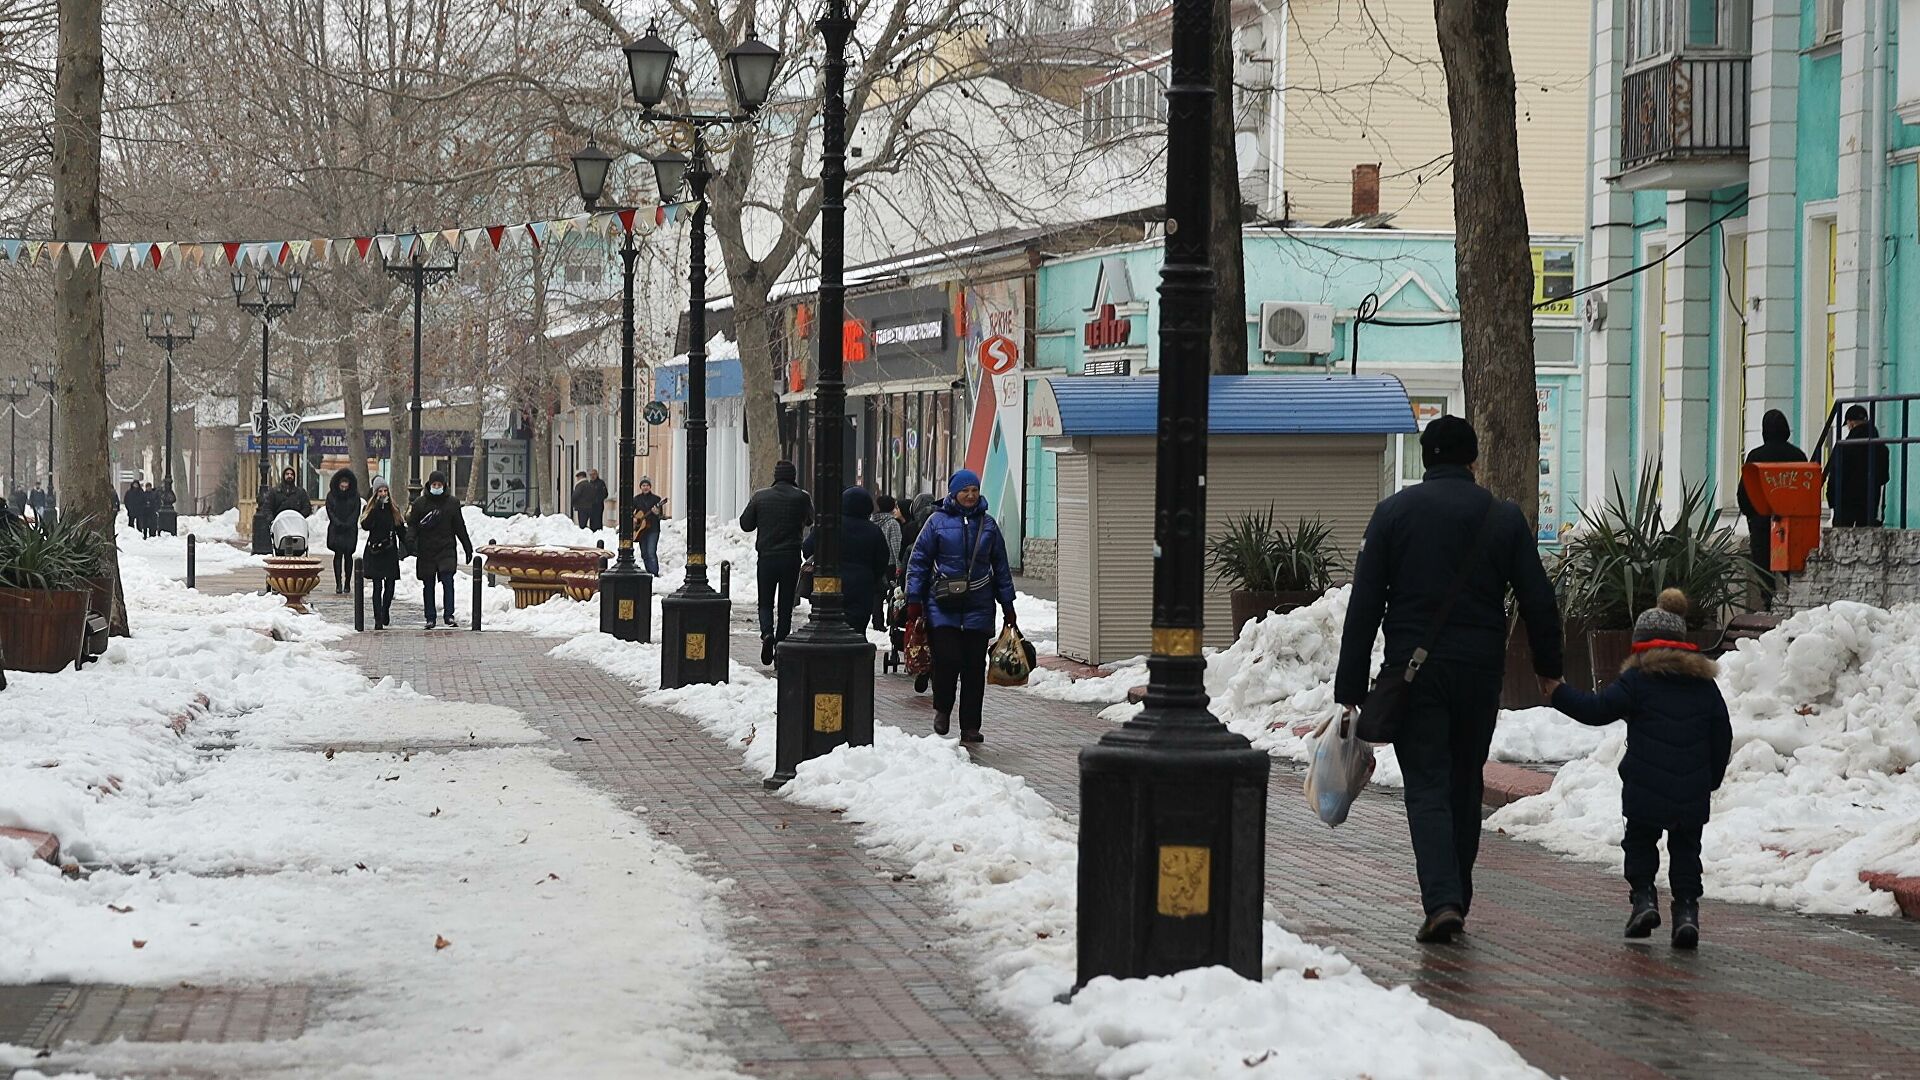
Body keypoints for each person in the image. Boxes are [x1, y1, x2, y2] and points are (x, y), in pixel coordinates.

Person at [1333, 415, 1562, 944]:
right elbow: (1539, 598)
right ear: (1473, 459)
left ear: (1427, 457)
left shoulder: (1393, 514)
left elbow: (1364, 606)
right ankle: (1455, 892)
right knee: (1464, 783)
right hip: (1480, 675)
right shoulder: (1502, 518)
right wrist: (1550, 668)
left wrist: (1349, 690)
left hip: (1415, 677)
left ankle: (1442, 900)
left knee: (1428, 786)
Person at [1542, 589, 1731, 949]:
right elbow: (1721, 733)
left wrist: (1558, 692)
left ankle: (1644, 900)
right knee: (1687, 848)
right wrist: (1711, 778)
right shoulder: (1704, 685)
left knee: (1641, 841)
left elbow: (1596, 710)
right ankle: (1687, 913)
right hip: (1691, 787)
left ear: (1641, 644)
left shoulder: (1638, 680)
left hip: (1645, 783)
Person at [905, 469, 1018, 744]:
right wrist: (914, 601)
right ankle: (942, 709)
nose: (970, 495)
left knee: (974, 667)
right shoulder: (936, 522)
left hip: (979, 605)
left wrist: (1008, 605)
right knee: (948, 659)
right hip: (942, 604)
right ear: (953, 493)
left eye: (974, 490)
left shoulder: (988, 525)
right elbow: (918, 562)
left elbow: (1001, 568)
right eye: (964, 490)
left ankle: (970, 726)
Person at [740, 459, 814, 664]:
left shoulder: (760, 496)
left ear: (775, 475)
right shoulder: (802, 497)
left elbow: (745, 524)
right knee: (785, 603)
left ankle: (766, 633)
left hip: (767, 557)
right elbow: (810, 519)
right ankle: (781, 643)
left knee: (765, 601)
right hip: (790, 557)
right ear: (793, 476)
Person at [1735, 409, 1806, 609]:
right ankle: (1792, 601)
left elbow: (1744, 491)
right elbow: (1805, 489)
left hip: (1761, 521)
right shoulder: (1798, 455)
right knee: (1790, 563)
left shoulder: (1756, 456)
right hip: (1790, 521)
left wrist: (1752, 515)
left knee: (1763, 565)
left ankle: (1768, 603)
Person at [803, 486, 892, 635]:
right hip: (862, 587)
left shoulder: (829, 525)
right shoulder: (873, 531)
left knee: (828, 628)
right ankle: (855, 656)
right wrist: (872, 576)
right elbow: (882, 559)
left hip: (830, 585)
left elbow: (807, 548)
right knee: (856, 630)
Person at [407, 469, 473, 629]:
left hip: (446, 549)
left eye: (440, 484)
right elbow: (413, 526)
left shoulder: (452, 503)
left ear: (444, 485)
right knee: (428, 584)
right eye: (434, 484)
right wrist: (410, 541)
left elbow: (459, 526)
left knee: (448, 581)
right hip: (426, 550)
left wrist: (467, 546)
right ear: (429, 485)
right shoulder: (420, 504)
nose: (437, 487)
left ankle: (449, 615)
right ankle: (430, 617)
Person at [1828, 404, 1890, 528]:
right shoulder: (1881, 447)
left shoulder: (1843, 447)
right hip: (1869, 503)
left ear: (1850, 423)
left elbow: (1834, 476)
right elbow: (1884, 477)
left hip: (1845, 504)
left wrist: (1831, 499)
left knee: (1842, 540)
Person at [359, 477, 405, 630]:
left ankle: (385, 609)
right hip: (375, 551)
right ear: (375, 493)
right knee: (377, 586)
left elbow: (400, 529)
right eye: (380, 491)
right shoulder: (371, 509)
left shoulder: (393, 509)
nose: (383, 494)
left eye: (385, 491)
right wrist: (376, 507)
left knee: (390, 586)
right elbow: (365, 525)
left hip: (390, 551)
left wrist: (410, 545)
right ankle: (378, 618)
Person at [324, 468, 362, 594]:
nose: (344, 485)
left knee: (348, 556)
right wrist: (338, 523)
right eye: (342, 483)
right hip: (336, 529)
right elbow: (330, 511)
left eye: (346, 483)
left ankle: (347, 583)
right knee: (338, 555)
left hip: (349, 530)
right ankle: (338, 583)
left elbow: (356, 512)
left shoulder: (355, 496)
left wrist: (348, 523)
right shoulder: (331, 496)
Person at [632, 477, 667, 577]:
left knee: (651, 552)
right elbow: (630, 512)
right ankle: (648, 572)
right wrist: (634, 519)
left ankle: (654, 573)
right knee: (644, 554)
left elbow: (661, 515)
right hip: (641, 530)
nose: (645, 487)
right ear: (640, 487)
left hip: (653, 529)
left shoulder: (656, 499)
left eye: (647, 485)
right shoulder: (636, 499)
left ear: (650, 487)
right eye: (643, 485)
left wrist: (657, 513)